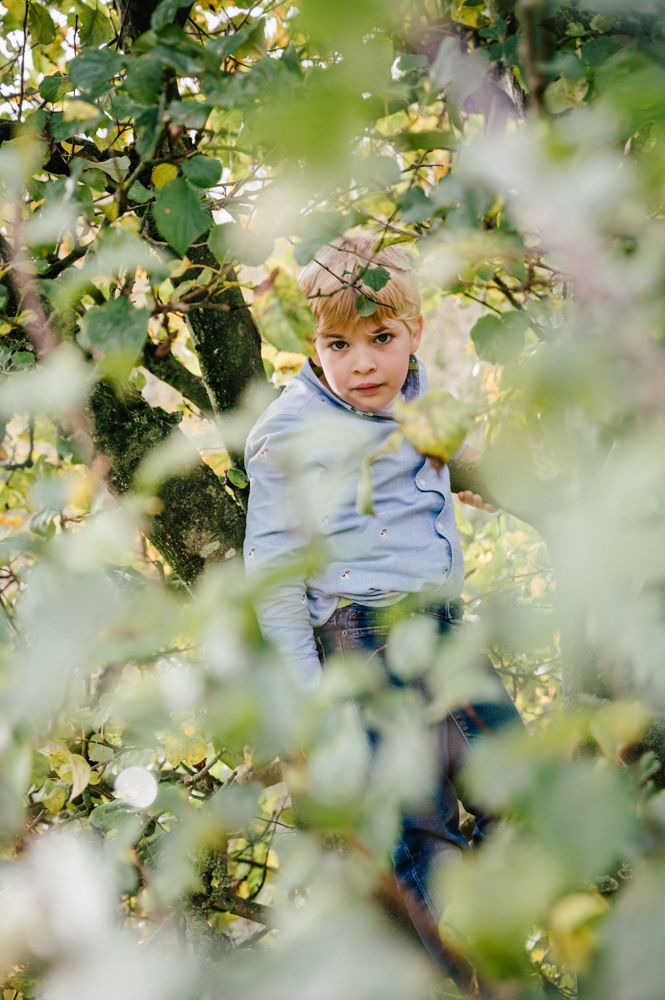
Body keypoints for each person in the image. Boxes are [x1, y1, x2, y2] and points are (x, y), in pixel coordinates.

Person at [243, 232, 523, 981]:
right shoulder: (287, 434)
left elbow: (437, 469)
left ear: (415, 333)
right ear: (311, 343)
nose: (361, 363)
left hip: (444, 630)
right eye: (338, 344)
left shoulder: (418, 401)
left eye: (380, 339)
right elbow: (272, 575)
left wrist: (468, 477)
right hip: (362, 638)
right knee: (419, 830)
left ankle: (486, 919)